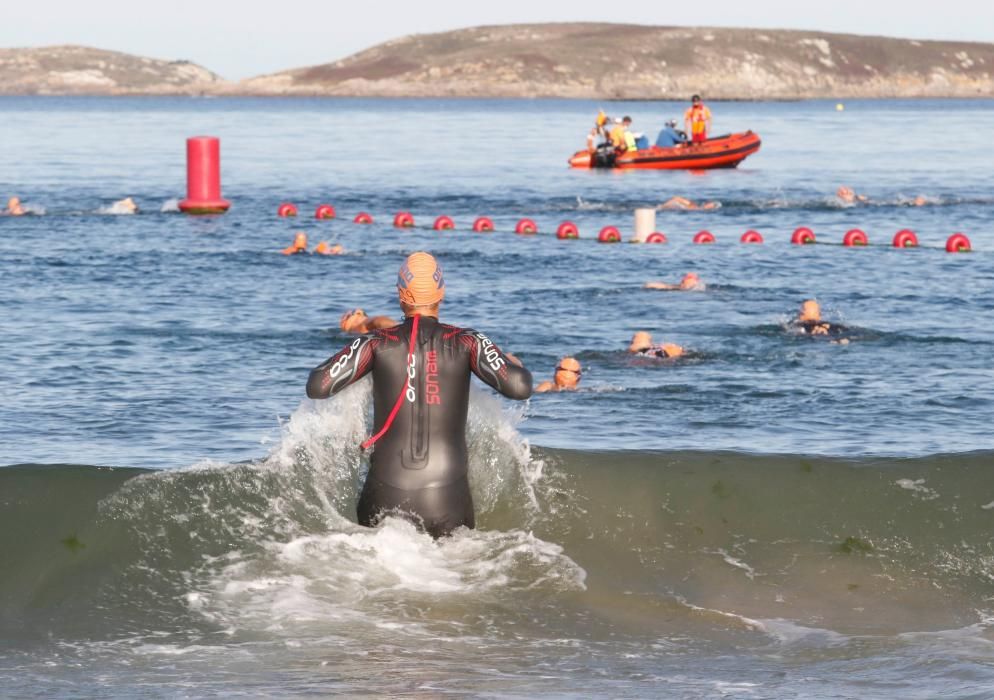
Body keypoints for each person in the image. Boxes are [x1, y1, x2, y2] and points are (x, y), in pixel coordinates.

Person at [307, 252, 532, 538]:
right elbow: (519, 387)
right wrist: (511, 362)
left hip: (383, 493)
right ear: (442, 292)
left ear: (401, 294)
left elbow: (319, 385)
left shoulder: (375, 343)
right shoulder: (467, 341)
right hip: (447, 498)